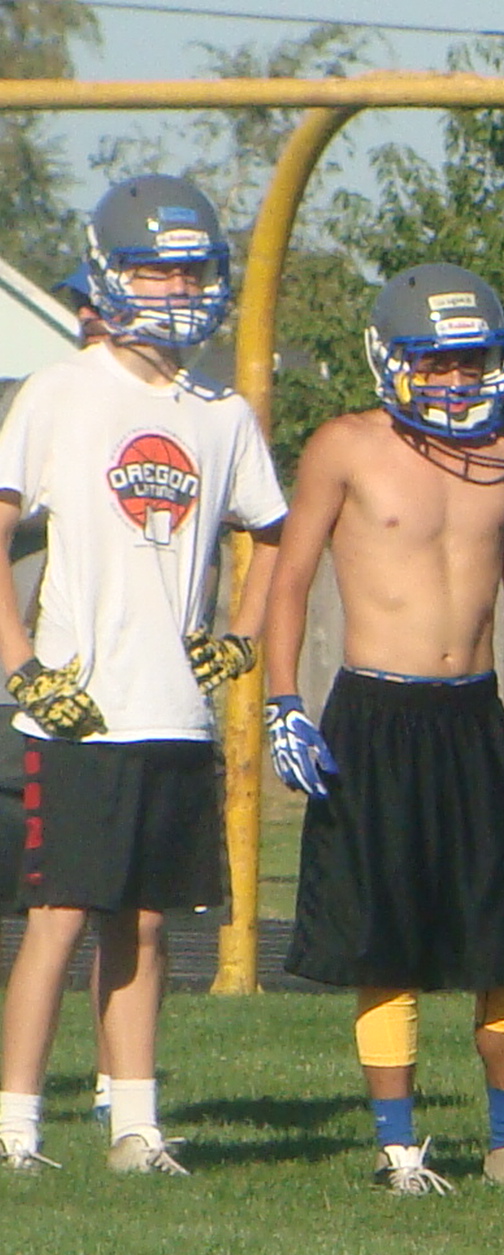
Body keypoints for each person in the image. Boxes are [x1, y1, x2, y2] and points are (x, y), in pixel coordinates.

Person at [263, 265, 504, 1193]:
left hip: (475, 715)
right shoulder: (344, 446)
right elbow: (289, 579)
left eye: (471, 360)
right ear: (392, 361)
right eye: (435, 362)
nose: (455, 379)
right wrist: (284, 700)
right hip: (375, 714)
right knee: (386, 941)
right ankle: (398, 1148)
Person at [0, 174, 285, 1174]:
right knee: (58, 918)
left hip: (172, 708)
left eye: (193, 272)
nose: (178, 291)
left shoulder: (222, 412)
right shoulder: (61, 391)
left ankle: (135, 1125)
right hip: (78, 708)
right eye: (157, 271)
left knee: (147, 923)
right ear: (111, 275)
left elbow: (272, 531)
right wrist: (21, 665)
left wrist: (242, 635)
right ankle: (15, 1126)